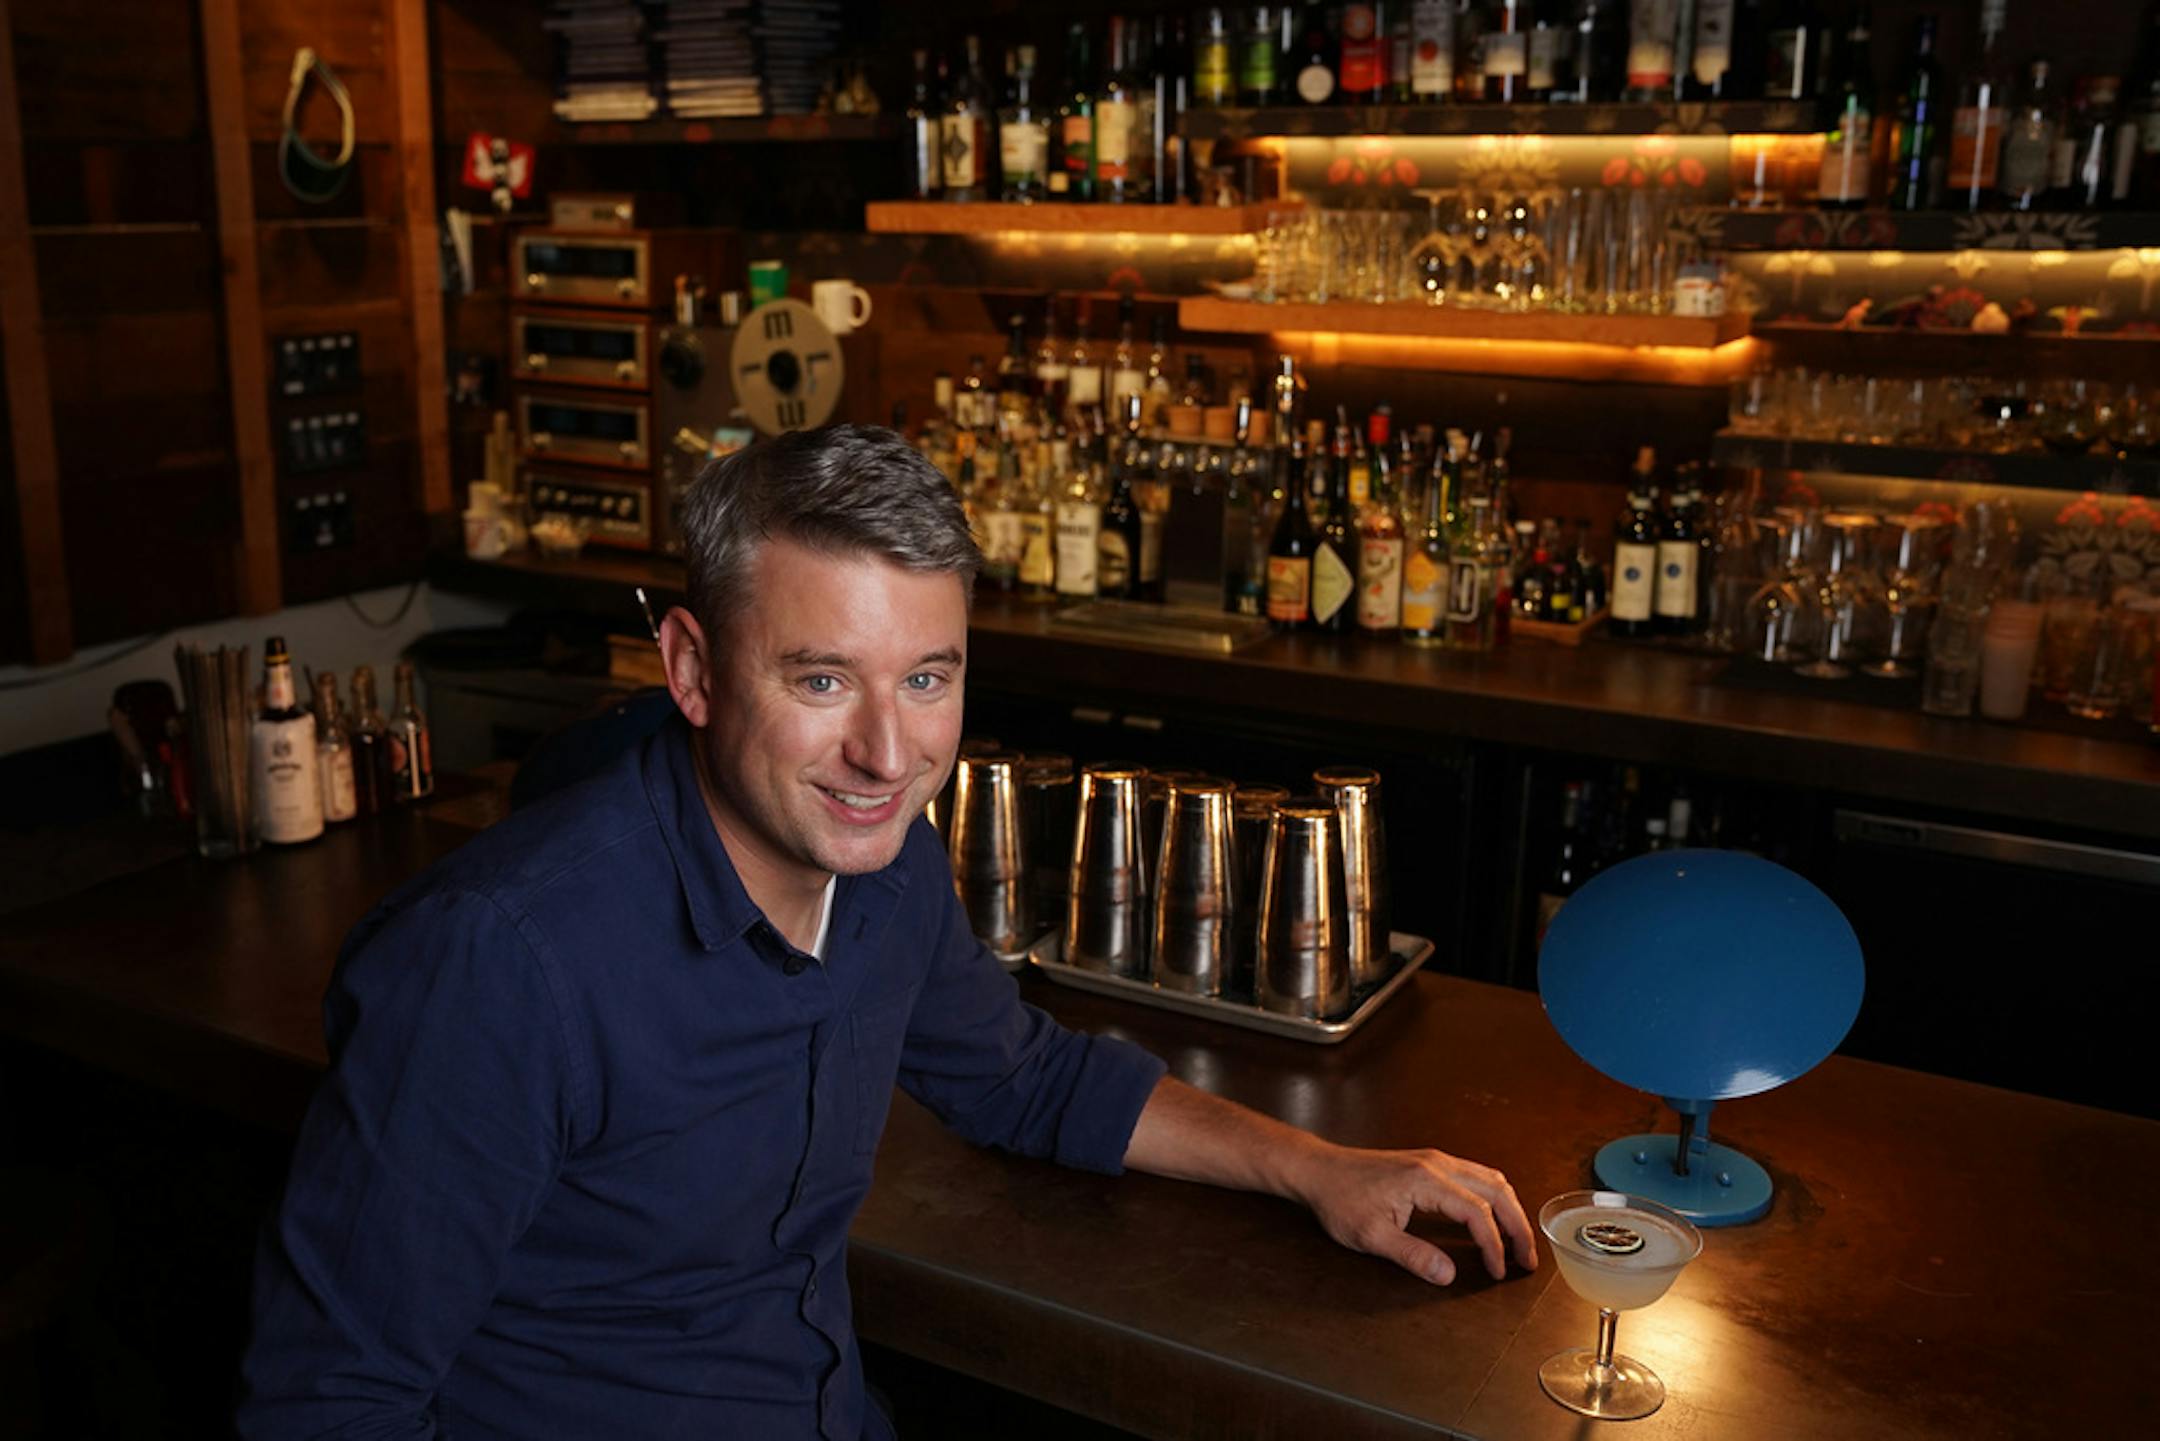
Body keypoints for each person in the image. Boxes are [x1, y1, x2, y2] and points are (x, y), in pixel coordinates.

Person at [238, 425, 1535, 1439]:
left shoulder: (888, 868)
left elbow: (1025, 1078)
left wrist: (1319, 1167)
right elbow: (328, 1406)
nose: (887, 751)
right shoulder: (502, 969)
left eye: (928, 677)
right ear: (689, 669)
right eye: (820, 679)